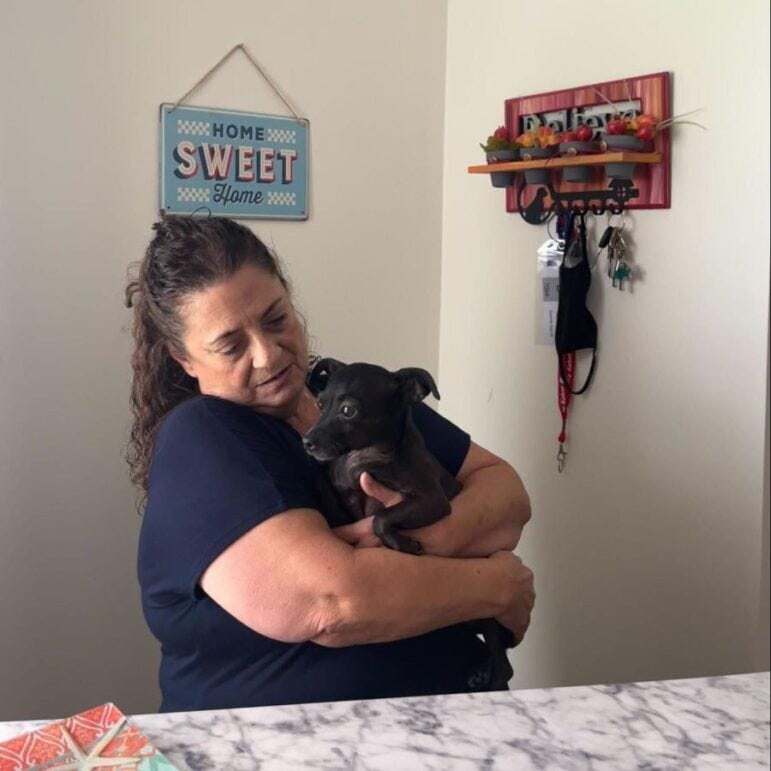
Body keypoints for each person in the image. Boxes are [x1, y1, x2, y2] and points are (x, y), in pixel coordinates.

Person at [125, 215, 535, 712]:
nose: (268, 354)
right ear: (183, 358)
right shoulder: (203, 437)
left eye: (276, 319)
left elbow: (507, 494)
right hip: (289, 745)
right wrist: (493, 586)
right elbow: (333, 603)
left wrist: (418, 541)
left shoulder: (354, 399)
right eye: (231, 345)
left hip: (460, 718)